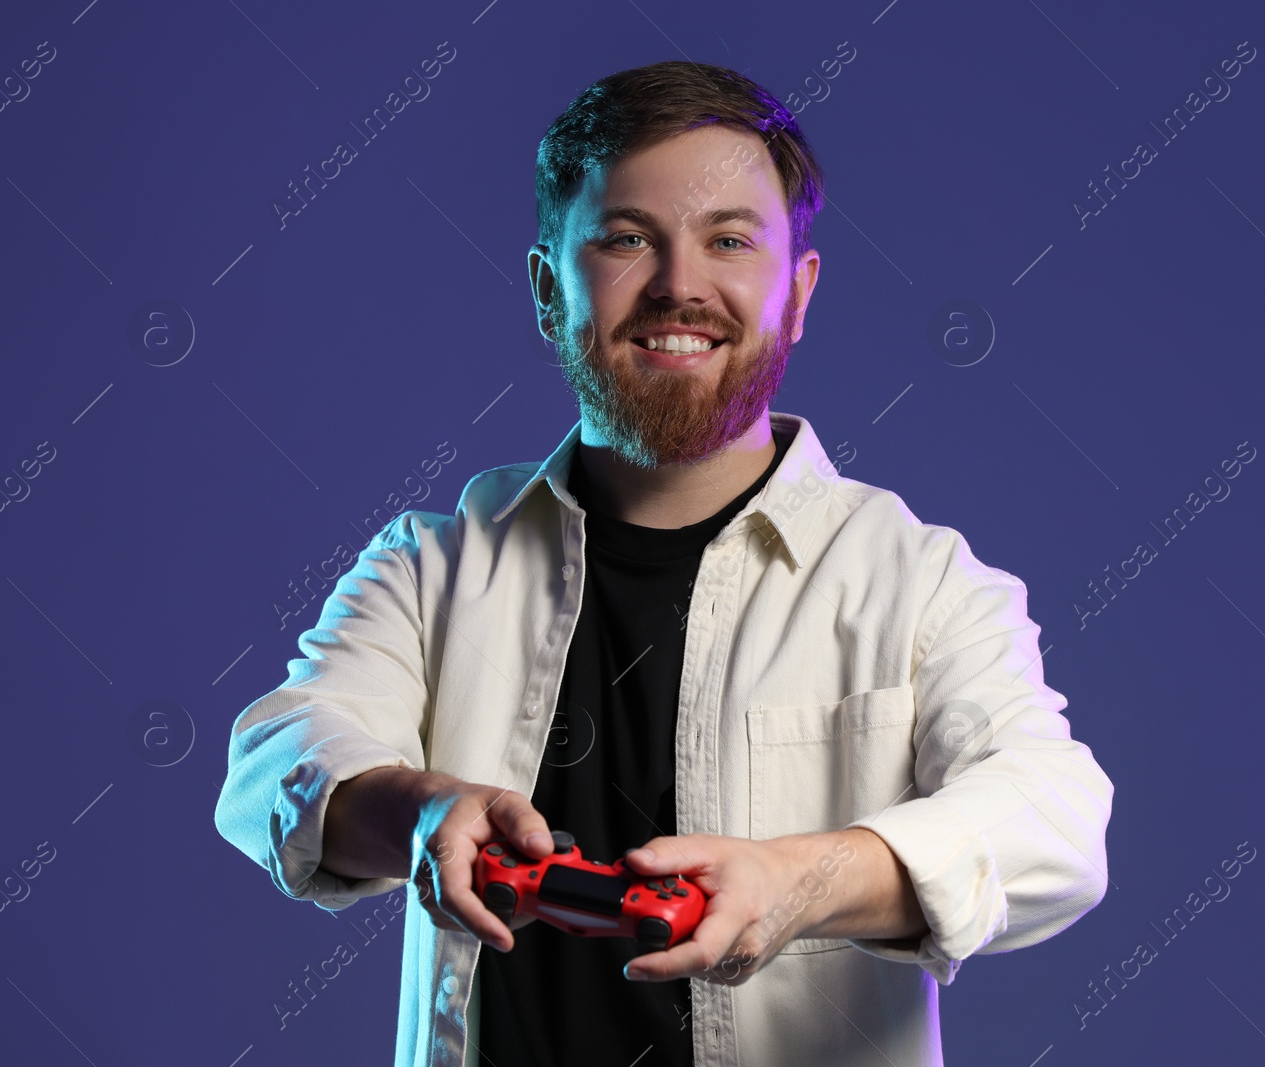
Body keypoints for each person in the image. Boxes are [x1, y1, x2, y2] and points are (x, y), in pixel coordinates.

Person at [214, 60, 1113, 1067]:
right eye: (626, 238)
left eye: (728, 239)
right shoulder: (434, 562)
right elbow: (270, 763)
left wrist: (801, 878)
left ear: (798, 291)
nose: (680, 283)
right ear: (550, 289)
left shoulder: (921, 581)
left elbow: (1055, 820)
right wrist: (419, 812)